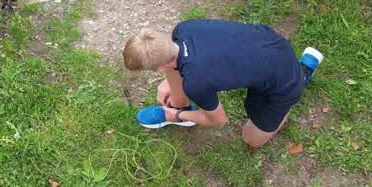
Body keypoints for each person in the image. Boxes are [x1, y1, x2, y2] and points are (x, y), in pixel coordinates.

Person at [122, 19, 323, 149]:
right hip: (271, 45)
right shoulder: (184, 29)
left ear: (158, 69)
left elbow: (218, 121)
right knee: (175, 68)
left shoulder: (196, 82)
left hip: (283, 81)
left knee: (251, 139)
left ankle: (302, 74)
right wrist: (168, 81)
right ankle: (180, 106)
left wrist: (173, 115)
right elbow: (175, 62)